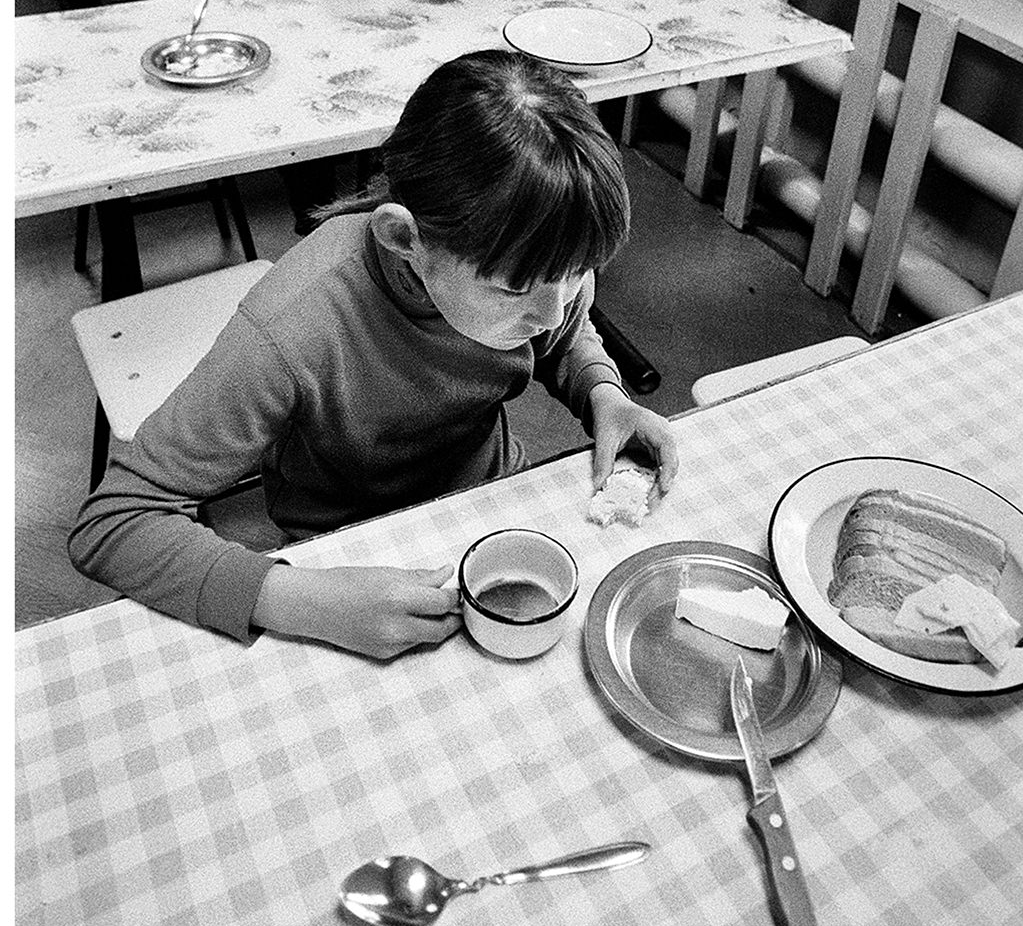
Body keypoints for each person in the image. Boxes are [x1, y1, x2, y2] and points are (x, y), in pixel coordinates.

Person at [69, 50, 679, 661]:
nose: (553, 309)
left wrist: (601, 391)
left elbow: (564, 332)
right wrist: (302, 601)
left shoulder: (541, 262)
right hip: (343, 550)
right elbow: (115, 521)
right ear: (403, 236)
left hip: (486, 498)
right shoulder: (297, 327)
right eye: (516, 290)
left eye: (578, 273)